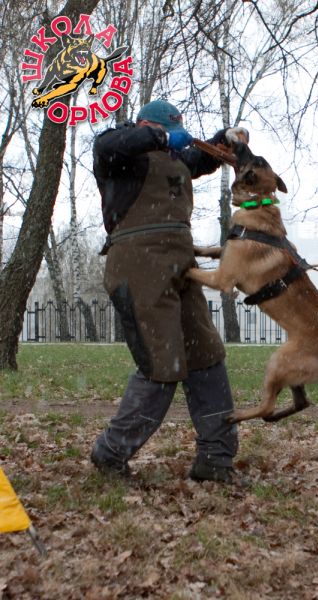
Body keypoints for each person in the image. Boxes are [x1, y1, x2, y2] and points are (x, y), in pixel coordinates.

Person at [90, 99, 248, 483]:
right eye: (166, 132)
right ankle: (110, 453)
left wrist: (224, 140)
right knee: (162, 365)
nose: (173, 140)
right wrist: (160, 137)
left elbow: (202, 158)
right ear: (147, 126)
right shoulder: (118, 156)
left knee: (206, 357)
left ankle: (215, 459)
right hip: (138, 269)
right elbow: (107, 144)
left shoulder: (176, 161)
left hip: (181, 267)